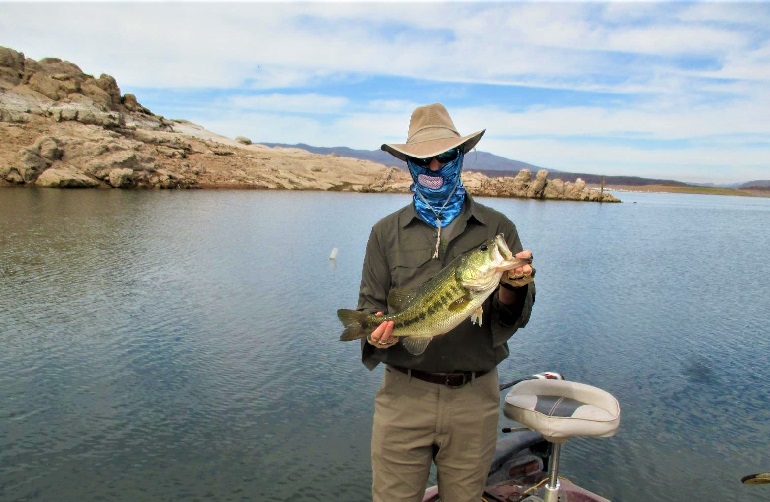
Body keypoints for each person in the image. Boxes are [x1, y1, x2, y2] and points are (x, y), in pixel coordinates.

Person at [353, 103, 536, 502]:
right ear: (408, 164)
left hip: (474, 399)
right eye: (422, 160)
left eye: (446, 156)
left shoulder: (498, 229)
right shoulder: (385, 232)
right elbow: (370, 307)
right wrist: (377, 335)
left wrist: (515, 285)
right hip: (403, 398)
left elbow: (512, 317)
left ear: (461, 156)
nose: (435, 166)